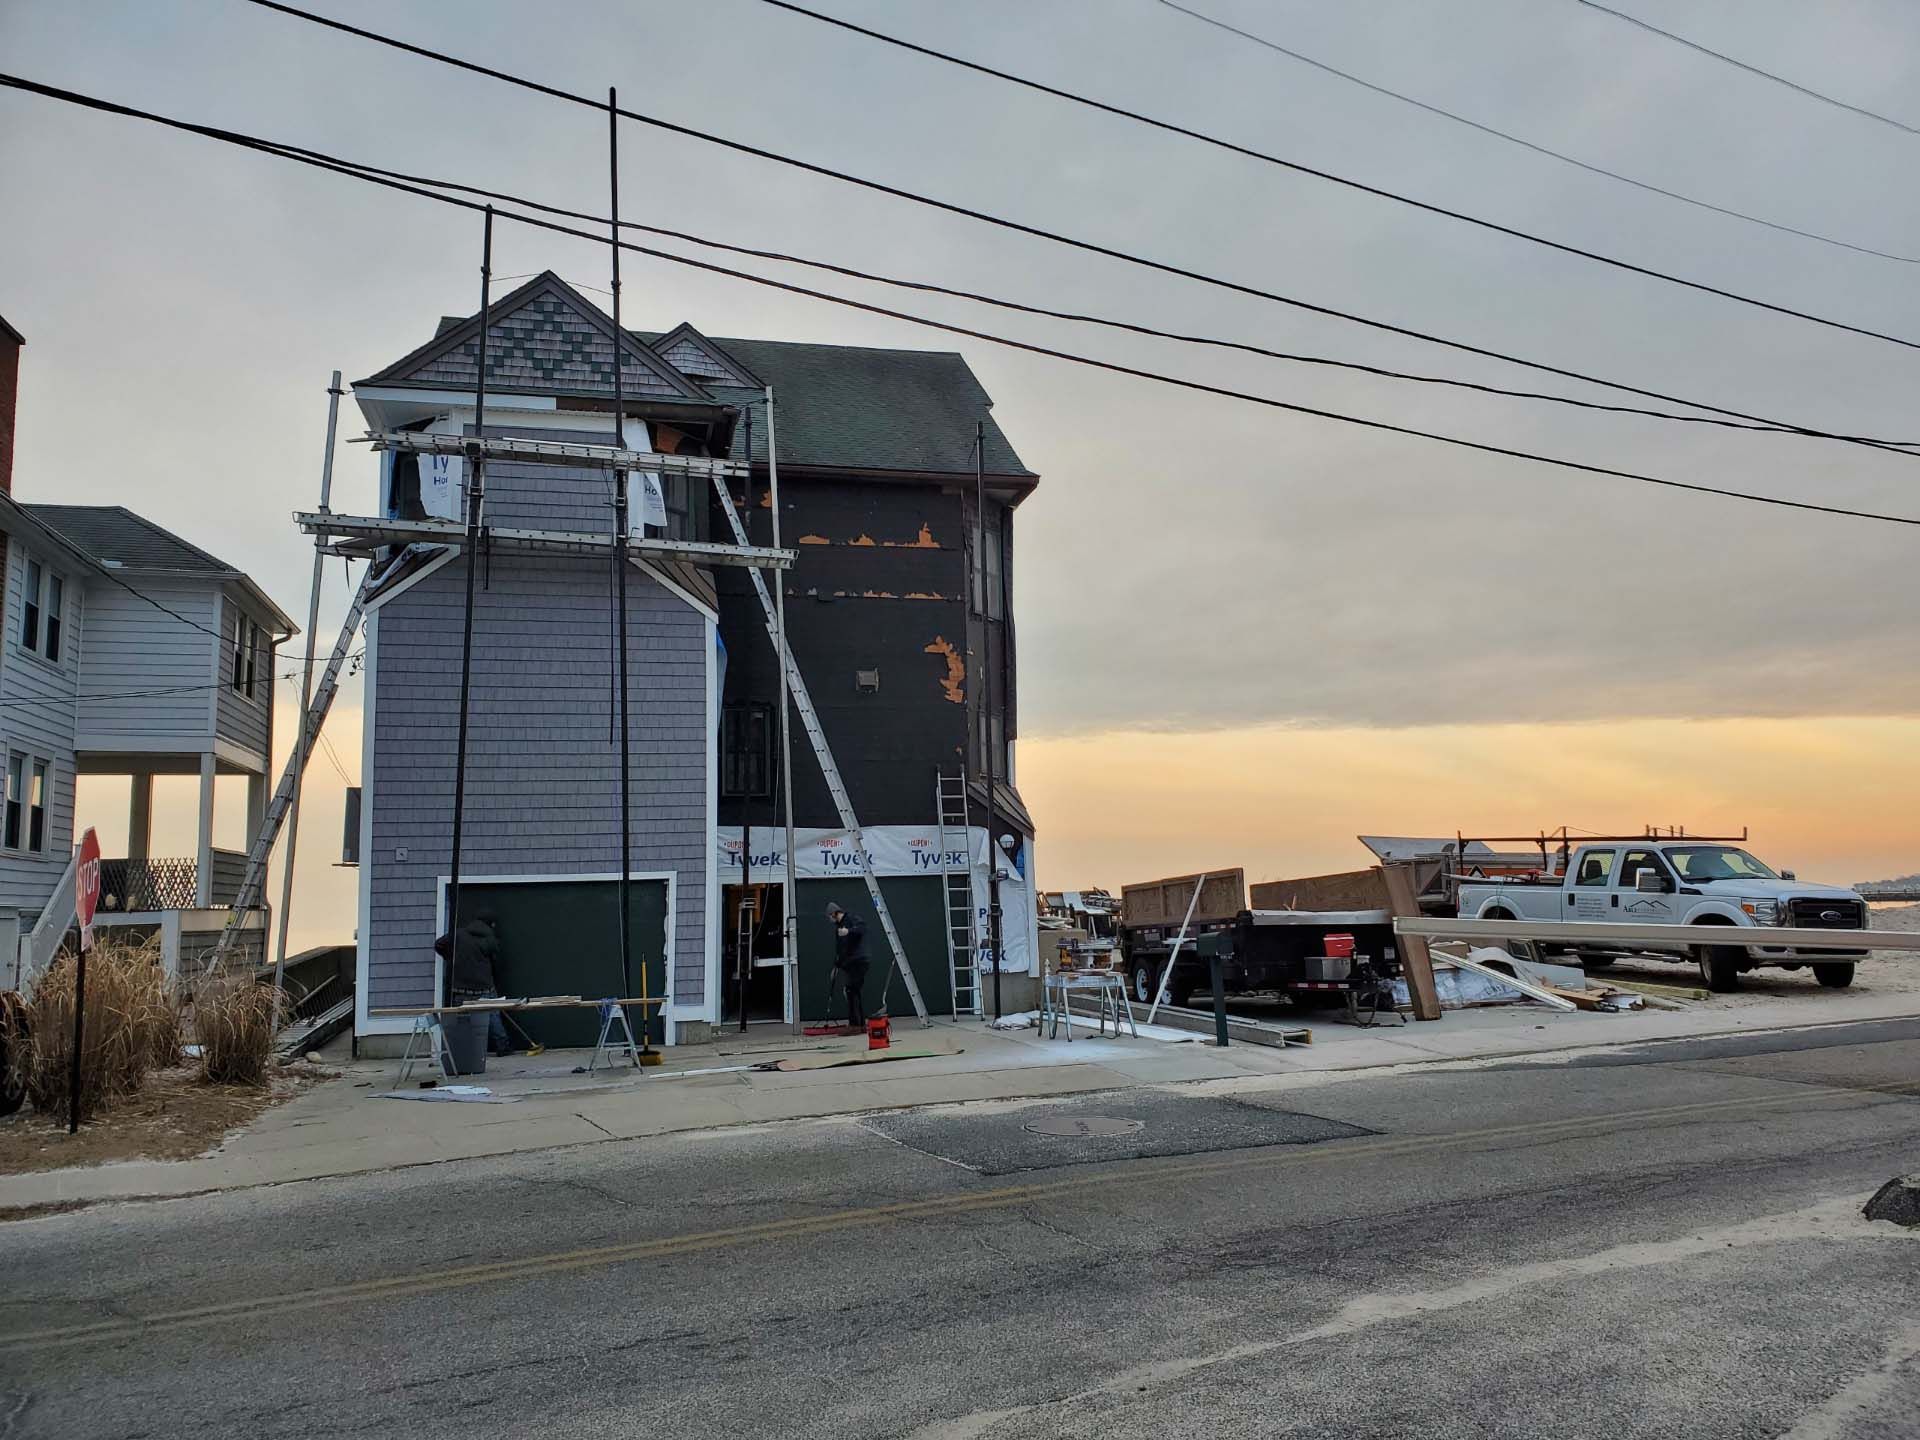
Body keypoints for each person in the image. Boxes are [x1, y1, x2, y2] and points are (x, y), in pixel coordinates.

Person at [434, 912, 512, 1056]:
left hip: (460, 987)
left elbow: (438, 944)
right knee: (493, 1015)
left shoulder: (458, 935)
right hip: (484, 985)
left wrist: (450, 957)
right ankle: (503, 1046)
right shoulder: (490, 939)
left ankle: (460, 1048)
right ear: (490, 925)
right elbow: (496, 962)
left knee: (461, 1019)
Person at [826, 901, 870, 1031]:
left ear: (834, 913)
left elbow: (862, 928)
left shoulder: (851, 919)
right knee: (853, 991)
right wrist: (836, 967)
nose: (829, 919)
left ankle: (855, 1025)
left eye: (830, 916)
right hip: (850, 963)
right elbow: (840, 949)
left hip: (859, 960)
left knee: (851, 990)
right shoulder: (838, 928)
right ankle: (860, 1024)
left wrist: (849, 931)